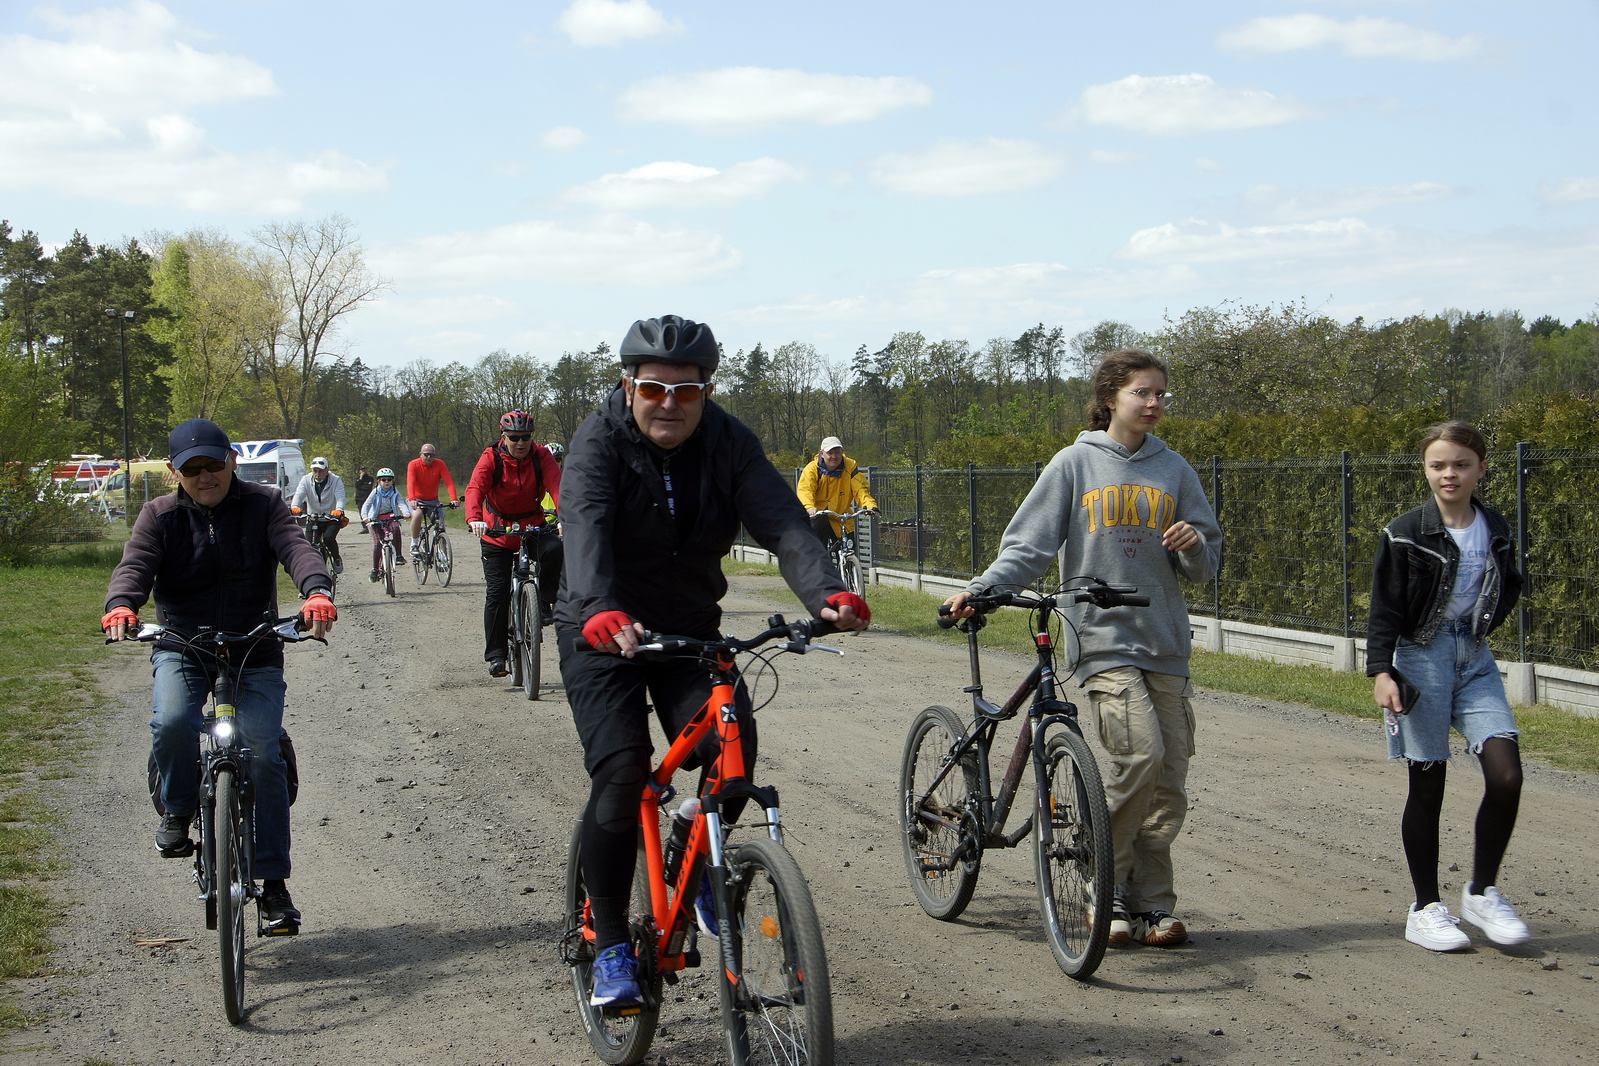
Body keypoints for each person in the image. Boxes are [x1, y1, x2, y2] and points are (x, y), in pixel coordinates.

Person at [557, 314, 871, 1007]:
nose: (668, 402)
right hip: (601, 627)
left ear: (706, 390)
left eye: (686, 391)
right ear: (626, 385)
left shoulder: (728, 441)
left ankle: (692, 857)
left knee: (732, 738)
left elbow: (783, 522)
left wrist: (829, 591)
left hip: (687, 630)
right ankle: (609, 943)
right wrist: (599, 607)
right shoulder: (596, 442)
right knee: (620, 772)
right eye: (652, 388)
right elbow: (582, 524)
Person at [943, 348, 1220, 949]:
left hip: (1165, 642)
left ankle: (1151, 906)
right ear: (1111, 396)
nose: (1153, 404)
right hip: (1101, 638)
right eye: (1142, 393)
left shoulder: (1175, 471)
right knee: (1139, 758)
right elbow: (1029, 546)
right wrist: (983, 589)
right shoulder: (1074, 464)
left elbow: (1206, 566)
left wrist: (1194, 542)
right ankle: (1105, 881)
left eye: (1160, 395)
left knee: (1168, 784)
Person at [101, 418, 336, 934]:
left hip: (255, 644)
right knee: (172, 722)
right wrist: (121, 604)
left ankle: (273, 887)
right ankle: (178, 810)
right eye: (192, 469)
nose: (205, 476)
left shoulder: (263, 505)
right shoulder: (158, 516)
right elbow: (135, 566)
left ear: (231, 459)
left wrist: (316, 590)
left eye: (213, 464)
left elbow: (296, 548)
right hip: (184, 644)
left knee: (263, 752)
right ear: (175, 472)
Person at [1367, 421, 1529, 953]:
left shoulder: (1496, 526)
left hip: (1474, 659)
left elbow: (1510, 585)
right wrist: (1381, 671)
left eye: (1460, 464)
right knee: (1427, 783)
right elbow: (1384, 606)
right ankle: (1425, 907)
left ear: (1481, 468)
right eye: (1438, 465)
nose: (1449, 474)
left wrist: (1478, 629)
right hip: (1420, 659)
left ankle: (1481, 892)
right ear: (1426, 470)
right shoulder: (1406, 531)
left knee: (1506, 774)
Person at [466, 410, 563, 678]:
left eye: (526, 437)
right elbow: (475, 488)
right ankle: (496, 655)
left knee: (555, 549)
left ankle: (543, 602)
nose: (521, 443)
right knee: (497, 593)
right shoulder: (491, 458)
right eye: (515, 437)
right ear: (503, 436)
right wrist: (475, 519)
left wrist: (566, 517)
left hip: (532, 525)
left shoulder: (541, 456)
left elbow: (558, 487)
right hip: (496, 530)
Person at [796, 435, 878, 546]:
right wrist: (809, 507)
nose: (834, 456)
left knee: (848, 548)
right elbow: (805, 490)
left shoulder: (850, 466)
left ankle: (849, 562)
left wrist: (869, 505)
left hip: (840, 517)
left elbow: (860, 489)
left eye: (838, 452)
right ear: (822, 454)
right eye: (830, 453)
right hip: (818, 516)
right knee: (818, 550)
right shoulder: (812, 469)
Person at [289, 456, 347, 574]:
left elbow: (340, 497)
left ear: (327, 469)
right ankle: (312, 573)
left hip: (331, 517)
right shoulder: (306, 480)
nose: (318, 473)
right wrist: (295, 506)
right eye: (315, 470)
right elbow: (299, 494)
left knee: (328, 538)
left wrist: (339, 509)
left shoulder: (335, 480)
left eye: (320, 470)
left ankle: (336, 558)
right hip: (313, 517)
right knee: (308, 545)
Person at [405, 443, 458, 558]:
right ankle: (414, 543)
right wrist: (412, 499)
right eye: (426, 455)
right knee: (418, 514)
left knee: (440, 523)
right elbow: (410, 483)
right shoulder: (413, 464)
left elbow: (448, 482)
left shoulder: (440, 464)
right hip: (416, 499)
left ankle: (442, 553)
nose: (429, 457)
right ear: (420, 454)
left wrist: (453, 499)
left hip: (432, 500)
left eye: (431, 455)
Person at [360, 467, 412, 581]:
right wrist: (365, 517)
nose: (386, 482)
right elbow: (366, 506)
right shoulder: (375, 492)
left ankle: (398, 555)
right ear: (379, 481)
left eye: (389, 479)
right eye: (383, 479)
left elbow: (401, 502)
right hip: (375, 519)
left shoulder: (394, 491)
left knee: (396, 528)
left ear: (393, 481)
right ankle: (375, 569)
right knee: (378, 544)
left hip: (390, 516)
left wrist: (406, 513)